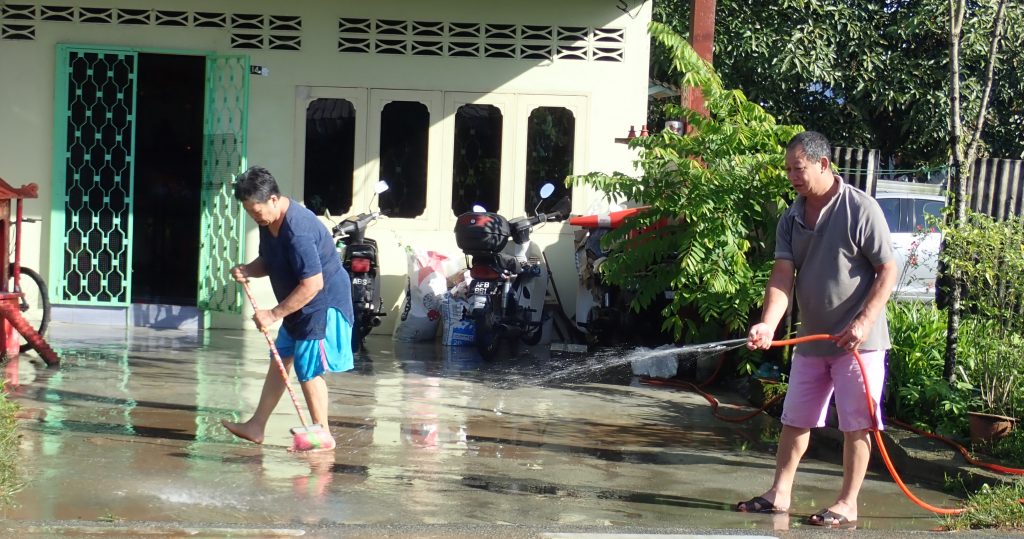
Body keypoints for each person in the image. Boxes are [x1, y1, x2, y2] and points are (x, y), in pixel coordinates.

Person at [736, 131, 897, 527]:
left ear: (823, 164)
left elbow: (888, 270)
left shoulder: (860, 208)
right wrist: (768, 324)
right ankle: (779, 494)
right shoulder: (791, 217)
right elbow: (781, 277)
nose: (792, 175)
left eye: (799, 168)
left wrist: (863, 321)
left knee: (857, 422)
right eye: (788, 168)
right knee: (795, 419)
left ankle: (847, 503)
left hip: (859, 344)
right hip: (813, 341)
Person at [221, 166, 355, 451]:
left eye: (256, 211)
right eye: (249, 212)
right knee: (280, 359)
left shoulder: (298, 230)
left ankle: (324, 435)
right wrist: (248, 270)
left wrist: (273, 313)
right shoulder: (268, 222)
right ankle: (256, 426)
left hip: (320, 302)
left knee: (308, 369)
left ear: (273, 199)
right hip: (297, 300)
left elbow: (313, 284)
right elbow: (268, 261)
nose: (254, 217)